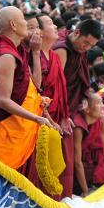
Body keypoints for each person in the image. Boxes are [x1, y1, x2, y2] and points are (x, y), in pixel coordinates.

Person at [0, 6, 52, 176]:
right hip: (4, 127)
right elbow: (3, 100)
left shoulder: (16, 48)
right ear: (13, 24)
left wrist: (35, 52)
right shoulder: (7, 55)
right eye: (22, 20)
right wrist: (36, 118)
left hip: (14, 122)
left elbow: (33, 84)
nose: (26, 24)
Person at [36, 13, 74, 196]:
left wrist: (65, 115)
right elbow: (37, 95)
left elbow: (62, 88)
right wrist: (50, 120)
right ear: (41, 33)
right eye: (50, 24)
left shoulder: (54, 56)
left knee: (65, 162)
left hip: (58, 116)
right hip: (43, 120)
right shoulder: (35, 58)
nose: (55, 27)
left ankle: (63, 199)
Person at [55, 17, 101, 114]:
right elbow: (56, 85)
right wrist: (63, 114)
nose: (87, 48)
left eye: (91, 46)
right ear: (76, 33)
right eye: (86, 42)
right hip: (58, 105)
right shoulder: (62, 50)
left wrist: (83, 96)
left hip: (71, 101)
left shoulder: (79, 48)